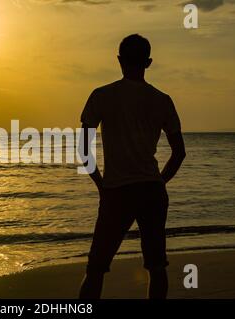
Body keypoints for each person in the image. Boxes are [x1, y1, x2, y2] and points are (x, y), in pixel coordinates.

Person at [79, 34, 186, 299]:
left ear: (119, 60)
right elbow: (179, 153)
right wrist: (160, 181)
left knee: (96, 268)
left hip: (117, 192)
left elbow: (83, 150)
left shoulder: (102, 96)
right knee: (157, 266)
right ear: (148, 62)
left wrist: (101, 184)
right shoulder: (162, 100)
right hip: (151, 191)